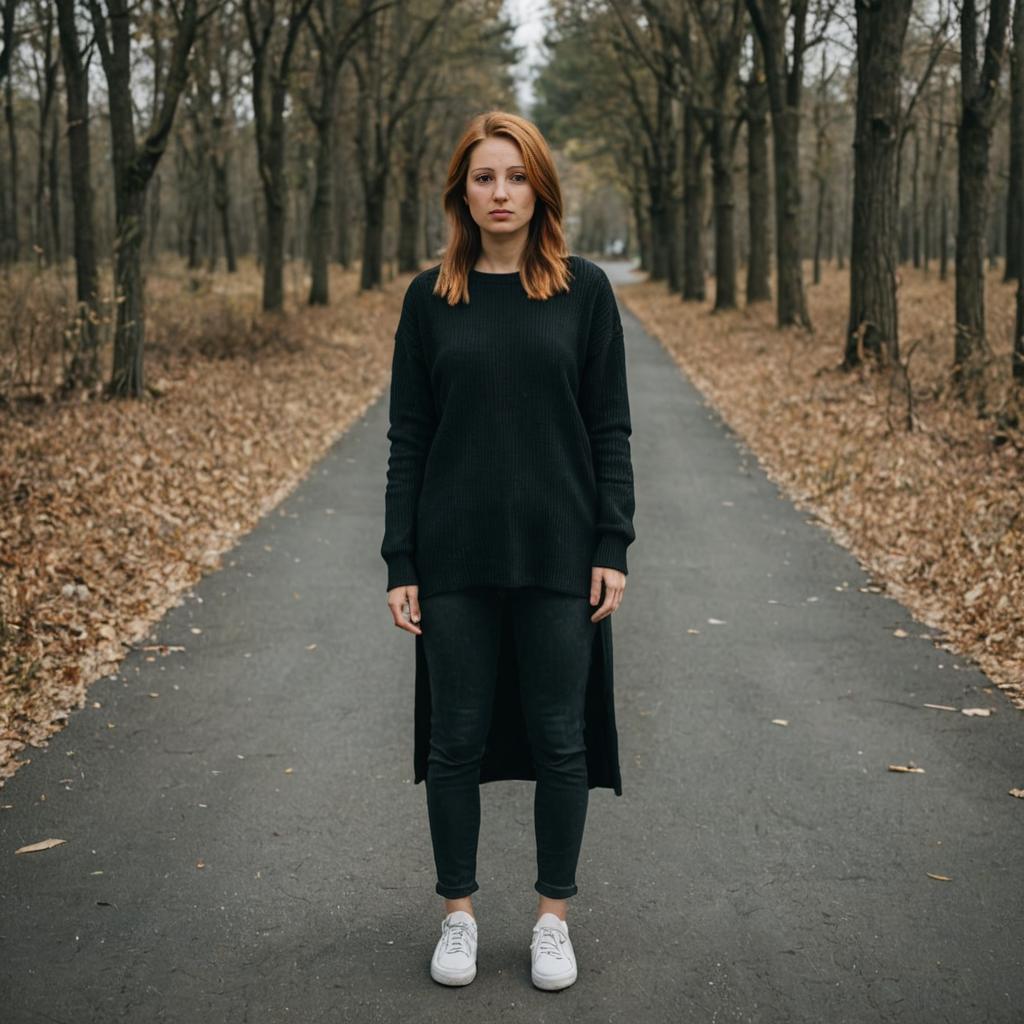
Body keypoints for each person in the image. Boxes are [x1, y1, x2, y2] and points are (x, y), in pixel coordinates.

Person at [380, 110, 636, 992]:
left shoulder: (585, 292)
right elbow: (407, 438)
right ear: (462, 192)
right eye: (484, 178)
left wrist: (613, 541)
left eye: (516, 177)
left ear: (540, 188)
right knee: (455, 739)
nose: (500, 193)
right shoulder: (429, 298)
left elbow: (609, 427)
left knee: (561, 739)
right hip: (452, 558)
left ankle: (552, 920)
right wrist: (399, 560)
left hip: (561, 555)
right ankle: (457, 914)